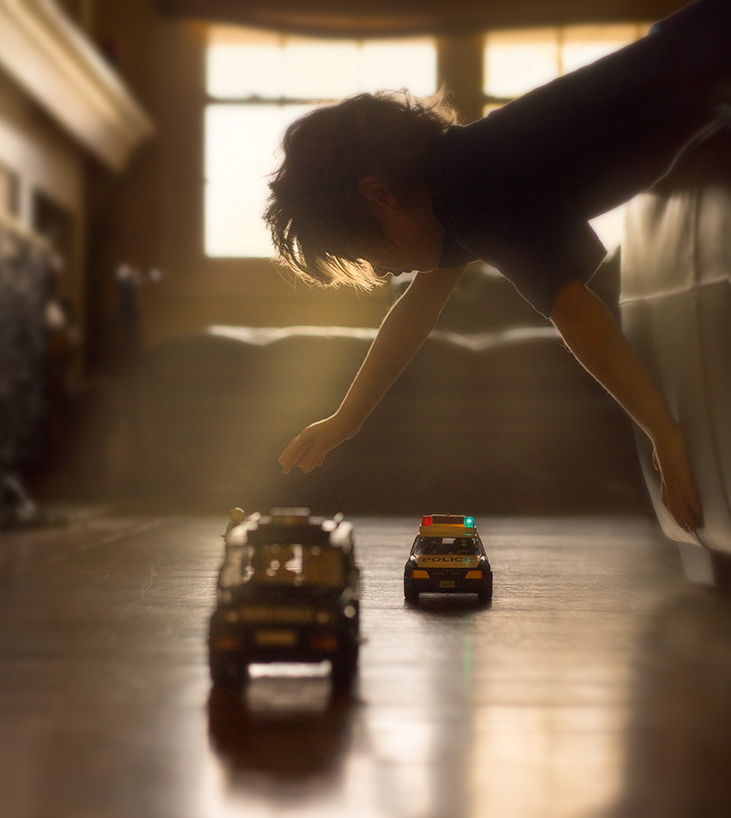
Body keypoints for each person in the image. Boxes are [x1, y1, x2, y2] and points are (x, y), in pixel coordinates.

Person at [267, 0, 729, 533]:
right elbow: (414, 310)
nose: (386, 269)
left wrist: (664, 435)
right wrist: (345, 420)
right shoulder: (455, 183)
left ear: (379, 197)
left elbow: (579, 315)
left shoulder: (470, 189)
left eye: (374, 254)